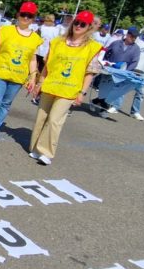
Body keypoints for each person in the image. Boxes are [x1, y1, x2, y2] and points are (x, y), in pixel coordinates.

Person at [28, 10, 102, 165]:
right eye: (77, 22)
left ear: (89, 27)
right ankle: (35, 148)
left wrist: (82, 92)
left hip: (69, 89)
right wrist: (40, 83)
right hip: (50, 85)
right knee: (41, 117)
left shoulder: (92, 47)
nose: (78, 26)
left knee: (55, 120)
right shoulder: (57, 42)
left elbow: (90, 72)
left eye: (83, 24)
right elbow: (47, 66)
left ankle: (47, 152)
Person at [0, 2, 43, 143]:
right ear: (18, 14)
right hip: (0, 73)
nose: (25, 18)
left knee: (6, 104)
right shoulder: (5, 30)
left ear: (33, 18)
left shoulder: (35, 38)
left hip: (18, 77)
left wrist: (32, 78)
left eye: (29, 16)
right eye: (23, 14)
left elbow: (32, 60)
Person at [91, 26, 141, 116]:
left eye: (135, 37)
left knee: (114, 92)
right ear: (128, 35)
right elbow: (106, 53)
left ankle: (104, 109)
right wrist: (104, 63)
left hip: (122, 73)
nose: (133, 39)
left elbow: (135, 62)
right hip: (110, 70)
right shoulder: (116, 43)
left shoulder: (136, 48)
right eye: (132, 36)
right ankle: (96, 102)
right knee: (104, 88)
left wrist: (126, 72)